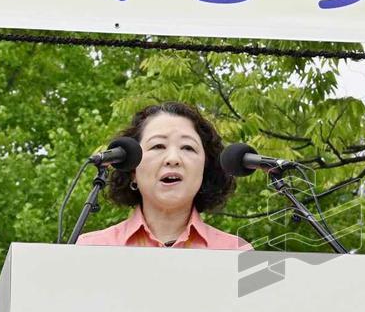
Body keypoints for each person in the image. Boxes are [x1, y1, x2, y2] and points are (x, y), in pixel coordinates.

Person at [77, 102, 251, 250]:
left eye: (188, 147)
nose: (173, 159)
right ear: (132, 170)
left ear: (206, 168)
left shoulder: (239, 252)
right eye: (158, 146)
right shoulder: (90, 248)